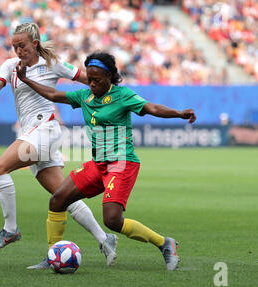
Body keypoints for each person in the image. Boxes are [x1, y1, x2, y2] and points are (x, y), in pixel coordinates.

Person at [16, 51, 196, 270]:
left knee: (112, 220)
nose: (91, 84)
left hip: (121, 163)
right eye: (89, 79)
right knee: (57, 200)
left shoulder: (123, 96)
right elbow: (53, 95)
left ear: (109, 77)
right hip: (98, 164)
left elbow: (152, 108)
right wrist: (25, 79)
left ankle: (165, 243)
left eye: (97, 80)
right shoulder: (85, 97)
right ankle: (53, 255)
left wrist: (178, 113)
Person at [0, 23, 117, 269]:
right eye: (14, 46)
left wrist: (111, 96)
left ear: (34, 43)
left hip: (46, 130)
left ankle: (10, 230)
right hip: (31, 133)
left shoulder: (52, 63)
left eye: (21, 46)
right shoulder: (10, 66)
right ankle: (105, 239)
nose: (18, 50)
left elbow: (88, 79)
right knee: (63, 196)